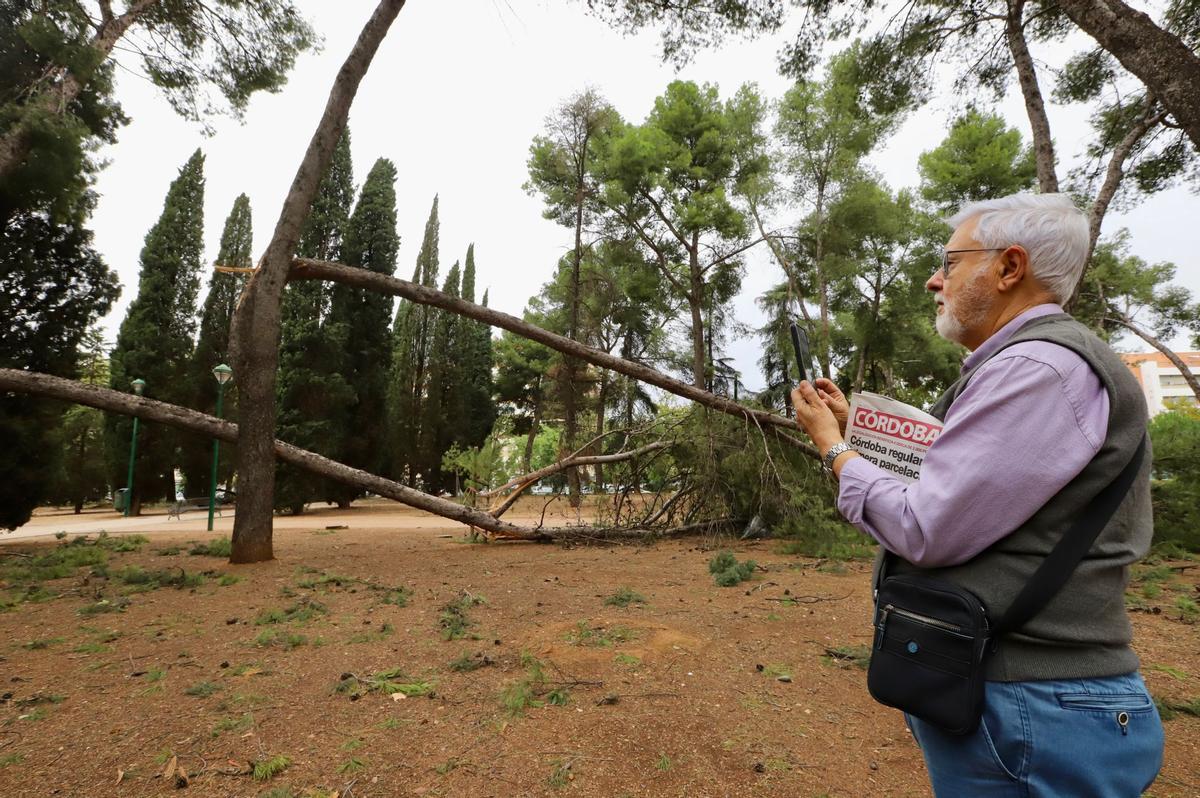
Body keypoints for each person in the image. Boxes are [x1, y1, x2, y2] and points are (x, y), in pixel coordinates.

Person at [790, 193, 1164, 797]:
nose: (934, 280)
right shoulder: (1025, 365)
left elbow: (925, 525)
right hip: (1014, 695)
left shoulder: (1037, 372)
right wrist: (853, 421)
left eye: (951, 261)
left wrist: (836, 450)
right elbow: (958, 477)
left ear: (1009, 268)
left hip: (1035, 706)